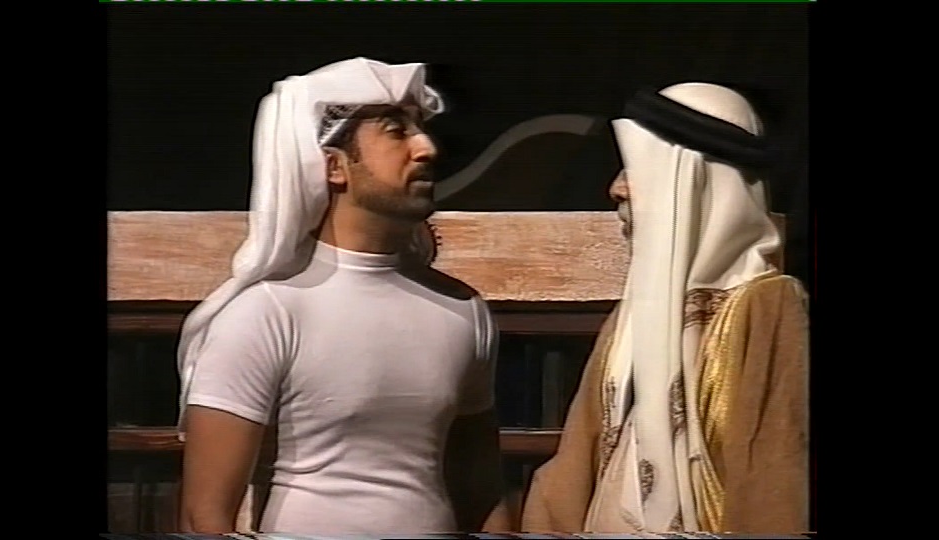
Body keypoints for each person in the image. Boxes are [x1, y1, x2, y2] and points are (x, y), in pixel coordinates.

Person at [175, 57, 509, 535]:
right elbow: (203, 516)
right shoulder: (267, 313)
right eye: (396, 131)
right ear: (334, 166)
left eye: (421, 128)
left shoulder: (462, 309)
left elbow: (482, 496)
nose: (426, 148)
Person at [520, 82, 810, 534]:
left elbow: (770, 475)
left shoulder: (766, 305)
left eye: (638, 165)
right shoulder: (635, 312)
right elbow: (576, 462)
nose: (617, 189)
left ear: (693, 179)